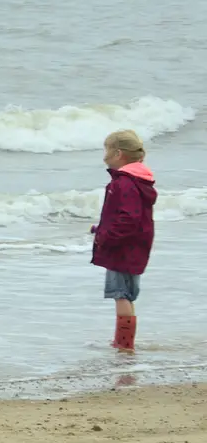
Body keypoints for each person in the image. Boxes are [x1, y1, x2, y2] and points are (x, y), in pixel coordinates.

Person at [91, 129, 156, 353]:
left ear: (118, 153)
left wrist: (106, 237)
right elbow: (130, 216)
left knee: (119, 293)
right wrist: (100, 229)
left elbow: (128, 218)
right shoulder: (140, 181)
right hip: (137, 244)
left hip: (122, 246)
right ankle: (124, 341)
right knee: (127, 293)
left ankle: (124, 344)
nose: (104, 155)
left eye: (107, 150)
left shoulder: (124, 183)